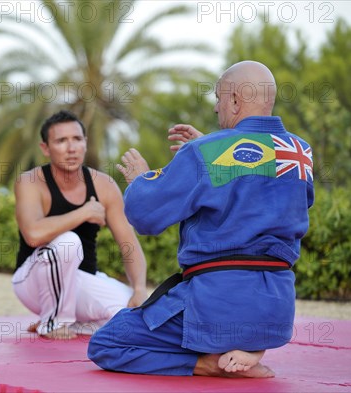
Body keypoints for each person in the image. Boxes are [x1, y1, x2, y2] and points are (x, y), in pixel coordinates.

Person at [88, 61, 314, 377]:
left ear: (235, 100)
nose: (215, 106)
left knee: (107, 342)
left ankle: (207, 363)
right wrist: (215, 146)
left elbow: (145, 217)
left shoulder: (206, 152)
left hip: (217, 304)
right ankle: (250, 344)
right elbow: (261, 193)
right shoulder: (299, 152)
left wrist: (143, 178)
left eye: (219, 97)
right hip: (276, 310)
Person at [12, 110, 148, 340]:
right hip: (32, 282)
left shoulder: (104, 185)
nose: (71, 147)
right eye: (61, 141)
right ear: (45, 148)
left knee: (135, 315)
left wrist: (139, 288)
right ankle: (53, 322)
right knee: (68, 242)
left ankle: (70, 324)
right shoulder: (30, 181)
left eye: (77, 139)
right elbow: (33, 235)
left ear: (85, 142)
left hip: (78, 281)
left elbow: (129, 244)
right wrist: (84, 212)